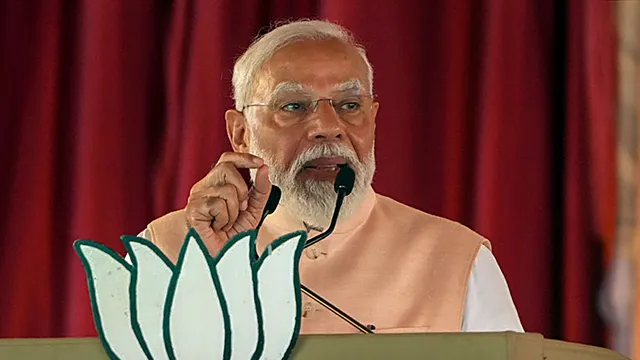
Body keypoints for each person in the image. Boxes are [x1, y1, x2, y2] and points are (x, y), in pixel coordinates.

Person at [138, 19, 524, 334]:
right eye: (294, 105)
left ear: (373, 119)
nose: (327, 127)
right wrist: (210, 267)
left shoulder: (456, 258)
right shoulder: (165, 250)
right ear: (240, 133)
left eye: (349, 105)